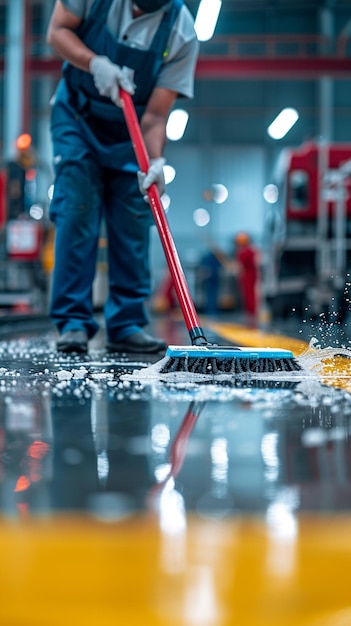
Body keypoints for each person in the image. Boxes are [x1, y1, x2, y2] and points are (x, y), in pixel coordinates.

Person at [46, 0, 199, 354]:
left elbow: (156, 117)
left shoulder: (181, 33)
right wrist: (94, 62)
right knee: (77, 211)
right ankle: (73, 322)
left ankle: (126, 323)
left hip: (133, 132)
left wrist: (157, 161)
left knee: (133, 218)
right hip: (78, 119)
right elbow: (57, 31)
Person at [233, 231, 260, 327]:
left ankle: (251, 314)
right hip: (251, 275)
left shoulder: (244, 252)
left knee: (249, 295)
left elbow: (239, 266)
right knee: (251, 295)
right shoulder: (252, 250)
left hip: (247, 275)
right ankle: (251, 314)